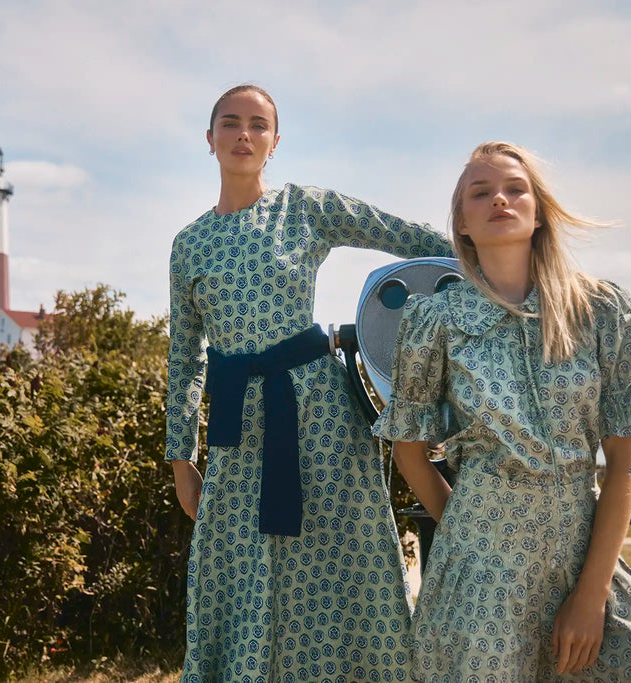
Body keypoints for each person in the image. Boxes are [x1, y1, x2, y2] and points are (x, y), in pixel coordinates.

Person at [166, 83, 453, 682]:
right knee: (239, 568)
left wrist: (493, 263)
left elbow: (411, 239)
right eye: (230, 122)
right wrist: (180, 458)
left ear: (274, 142)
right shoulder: (188, 245)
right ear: (210, 138)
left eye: (257, 124)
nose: (244, 133)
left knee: (338, 564)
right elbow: (186, 357)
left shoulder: (304, 207)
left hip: (319, 414)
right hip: (236, 428)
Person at [371, 141, 631, 681]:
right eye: (480, 192)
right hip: (478, 574)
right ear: (461, 223)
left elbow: (624, 456)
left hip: (583, 552)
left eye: (516, 189)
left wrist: (592, 592)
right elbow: (410, 453)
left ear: (538, 211)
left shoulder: (602, 310)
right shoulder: (432, 321)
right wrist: (470, 531)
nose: (500, 199)